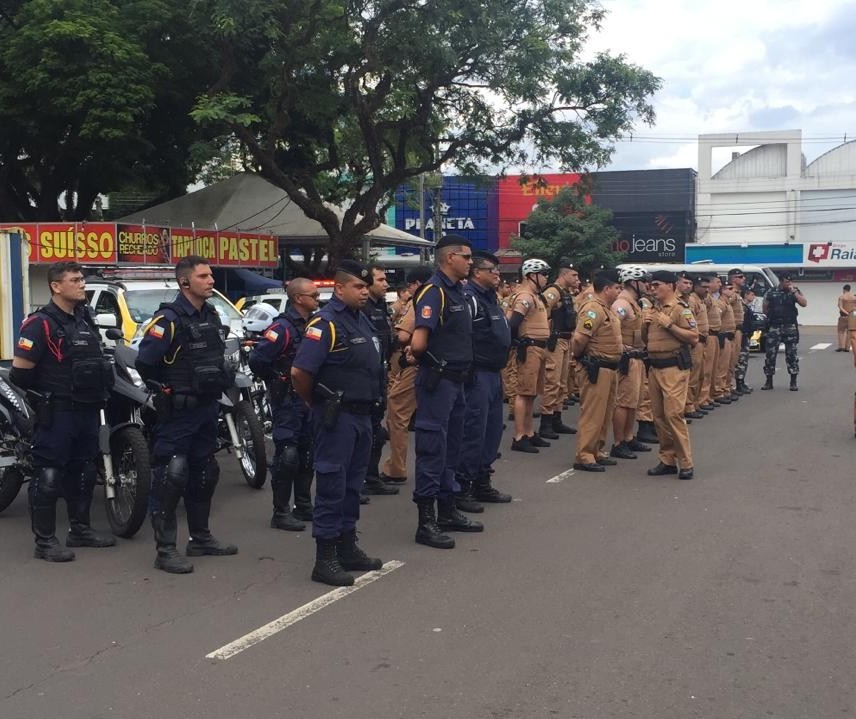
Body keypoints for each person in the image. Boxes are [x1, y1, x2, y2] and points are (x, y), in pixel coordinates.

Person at [136, 255, 237, 574]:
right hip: (178, 413)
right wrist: (168, 388)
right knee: (172, 474)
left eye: (211, 275)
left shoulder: (211, 314)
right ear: (184, 283)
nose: (211, 281)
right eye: (204, 276)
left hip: (207, 407)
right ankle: (165, 550)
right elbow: (145, 361)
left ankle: (201, 538)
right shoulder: (168, 319)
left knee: (206, 472)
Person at [11, 261, 116, 562]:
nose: (82, 284)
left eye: (82, 279)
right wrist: (47, 396)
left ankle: (80, 531)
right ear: (56, 286)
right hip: (57, 412)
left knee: (82, 470)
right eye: (75, 280)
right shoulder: (40, 323)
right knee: (49, 473)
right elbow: (20, 374)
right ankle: (45, 542)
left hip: (86, 410)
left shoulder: (84, 321)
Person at [291, 260, 384, 586]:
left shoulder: (362, 321)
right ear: (339, 288)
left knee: (352, 485)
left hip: (361, 416)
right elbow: (300, 373)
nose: (364, 291)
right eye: (358, 286)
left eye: (365, 286)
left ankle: (347, 547)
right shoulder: (325, 323)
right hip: (337, 417)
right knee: (332, 484)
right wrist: (315, 402)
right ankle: (325, 558)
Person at [411, 235, 483, 549]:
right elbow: (418, 343)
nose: (471, 262)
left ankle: (447, 509)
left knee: (452, 446)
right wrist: (436, 364)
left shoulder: (459, 292)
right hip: (438, 381)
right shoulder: (434, 291)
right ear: (449, 257)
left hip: (458, 381)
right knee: (432, 448)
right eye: (466, 257)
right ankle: (426, 522)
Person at [248, 277, 319, 531]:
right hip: (288, 400)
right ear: (299, 298)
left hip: (308, 398)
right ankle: (281, 511)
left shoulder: (313, 323)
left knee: (307, 452)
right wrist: (277, 379)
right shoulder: (282, 328)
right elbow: (257, 359)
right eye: (313, 295)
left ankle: (303, 505)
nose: (318, 299)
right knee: (287, 455)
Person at [457, 250, 513, 506]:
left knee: (492, 431)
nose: (497, 274)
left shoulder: (491, 299)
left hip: (494, 373)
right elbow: (464, 337)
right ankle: (463, 488)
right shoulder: (470, 299)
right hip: (477, 374)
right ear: (477, 272)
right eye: (492, 270)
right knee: (473, 431)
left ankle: (482, 481)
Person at [642, 270, 698, 479]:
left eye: (656, 285)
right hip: (655, 367)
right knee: (658, 416)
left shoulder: (679, 309)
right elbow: (646, 340)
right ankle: (667, 459)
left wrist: (670, 325)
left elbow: (693, 337)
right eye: (651, 285)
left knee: (673, 415)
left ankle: (686, 463)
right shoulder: (654, 309)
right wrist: (645, 324)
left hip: (673, 367)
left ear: (670, 285)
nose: (652, 289)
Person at [381, 266, 432, 485]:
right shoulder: (451, 296)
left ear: (415, 285)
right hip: (444, 367)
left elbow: (403, 335)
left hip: (416, 362)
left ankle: (397, 467)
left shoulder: (420, 300)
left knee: (397, 411)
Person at [571, 269, 623, 472]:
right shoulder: (593, 309)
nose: (619, 291)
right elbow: (579, 339)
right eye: (617, 288)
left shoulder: (607, 308)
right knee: (593, 413)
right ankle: (584, 454)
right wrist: (580, 359)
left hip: (609, 368)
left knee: (605, 412)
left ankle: (597, 450)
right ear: (607, 289)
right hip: (596, 367)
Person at [507, 258, 552, 453]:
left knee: (531, 393)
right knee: (524, 392)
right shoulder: (524, 296)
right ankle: (519, 436)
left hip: (539, 348)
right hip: (530, 348)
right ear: (531, 276)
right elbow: (513, 323)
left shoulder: (535, 296)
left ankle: (530, 432)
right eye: (543, 274)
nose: (546, 278)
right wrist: (516, 344)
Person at [361, 265, 398, 497]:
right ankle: (358, 482)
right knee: (364, 433)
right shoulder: (362, 309)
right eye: (381, 280)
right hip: (363, 379)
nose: (385, 284)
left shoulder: (380, 307)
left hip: (380, 375)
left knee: (376, 432)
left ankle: (371, 478)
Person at [610, 266, 652, 458]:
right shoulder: (622, 303)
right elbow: (613, 324)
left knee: (634, 401)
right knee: (623, 402)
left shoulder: (635, 303)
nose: (646, 284)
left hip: (637, 356)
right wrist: (620, 347)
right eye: (642, 280)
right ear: (633, 282)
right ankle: (619, 442)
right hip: (627, 358)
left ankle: (628, 437)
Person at [540, 258, 580, 438]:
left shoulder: (565, 292)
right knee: (552, 381)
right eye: (574, 275)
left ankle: (557, 419)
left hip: (565, 340)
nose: (576, 278)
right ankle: (546, 422)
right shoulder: (552, 291)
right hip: (555, 341)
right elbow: (542, 313)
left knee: (562, 383)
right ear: (564, 275)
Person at [762, 272, 807, 391]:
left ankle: (793, 381)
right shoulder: (771, 292)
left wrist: (795, 293)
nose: (789, 284)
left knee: (791, 354)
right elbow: (765, 308)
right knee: (770, 354)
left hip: (789, 326)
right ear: (781, 281)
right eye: (787, 282)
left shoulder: (795, 291)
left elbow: (804, 303)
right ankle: (769, 381)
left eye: (790, 281)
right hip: (774, 326)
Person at [677, 272, 707, 420]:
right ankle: (687, 406)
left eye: (689, 283)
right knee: (689, 376)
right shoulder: (677, 302)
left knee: (696, 375)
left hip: (694, 340)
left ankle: (691, 404)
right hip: (685, 343)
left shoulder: (688, 300)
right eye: (685, 283)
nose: (688, 286)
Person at [836, 285, 856, 351]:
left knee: (841, 331)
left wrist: (847, 313)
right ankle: (847, 348)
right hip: (852, 317)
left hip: (843, 316)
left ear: (844, 289)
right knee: (849, 332)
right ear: (849, 289)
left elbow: (840, 307)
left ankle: (841, 347)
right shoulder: (854, 297)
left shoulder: (841, 297)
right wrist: (852, 315)